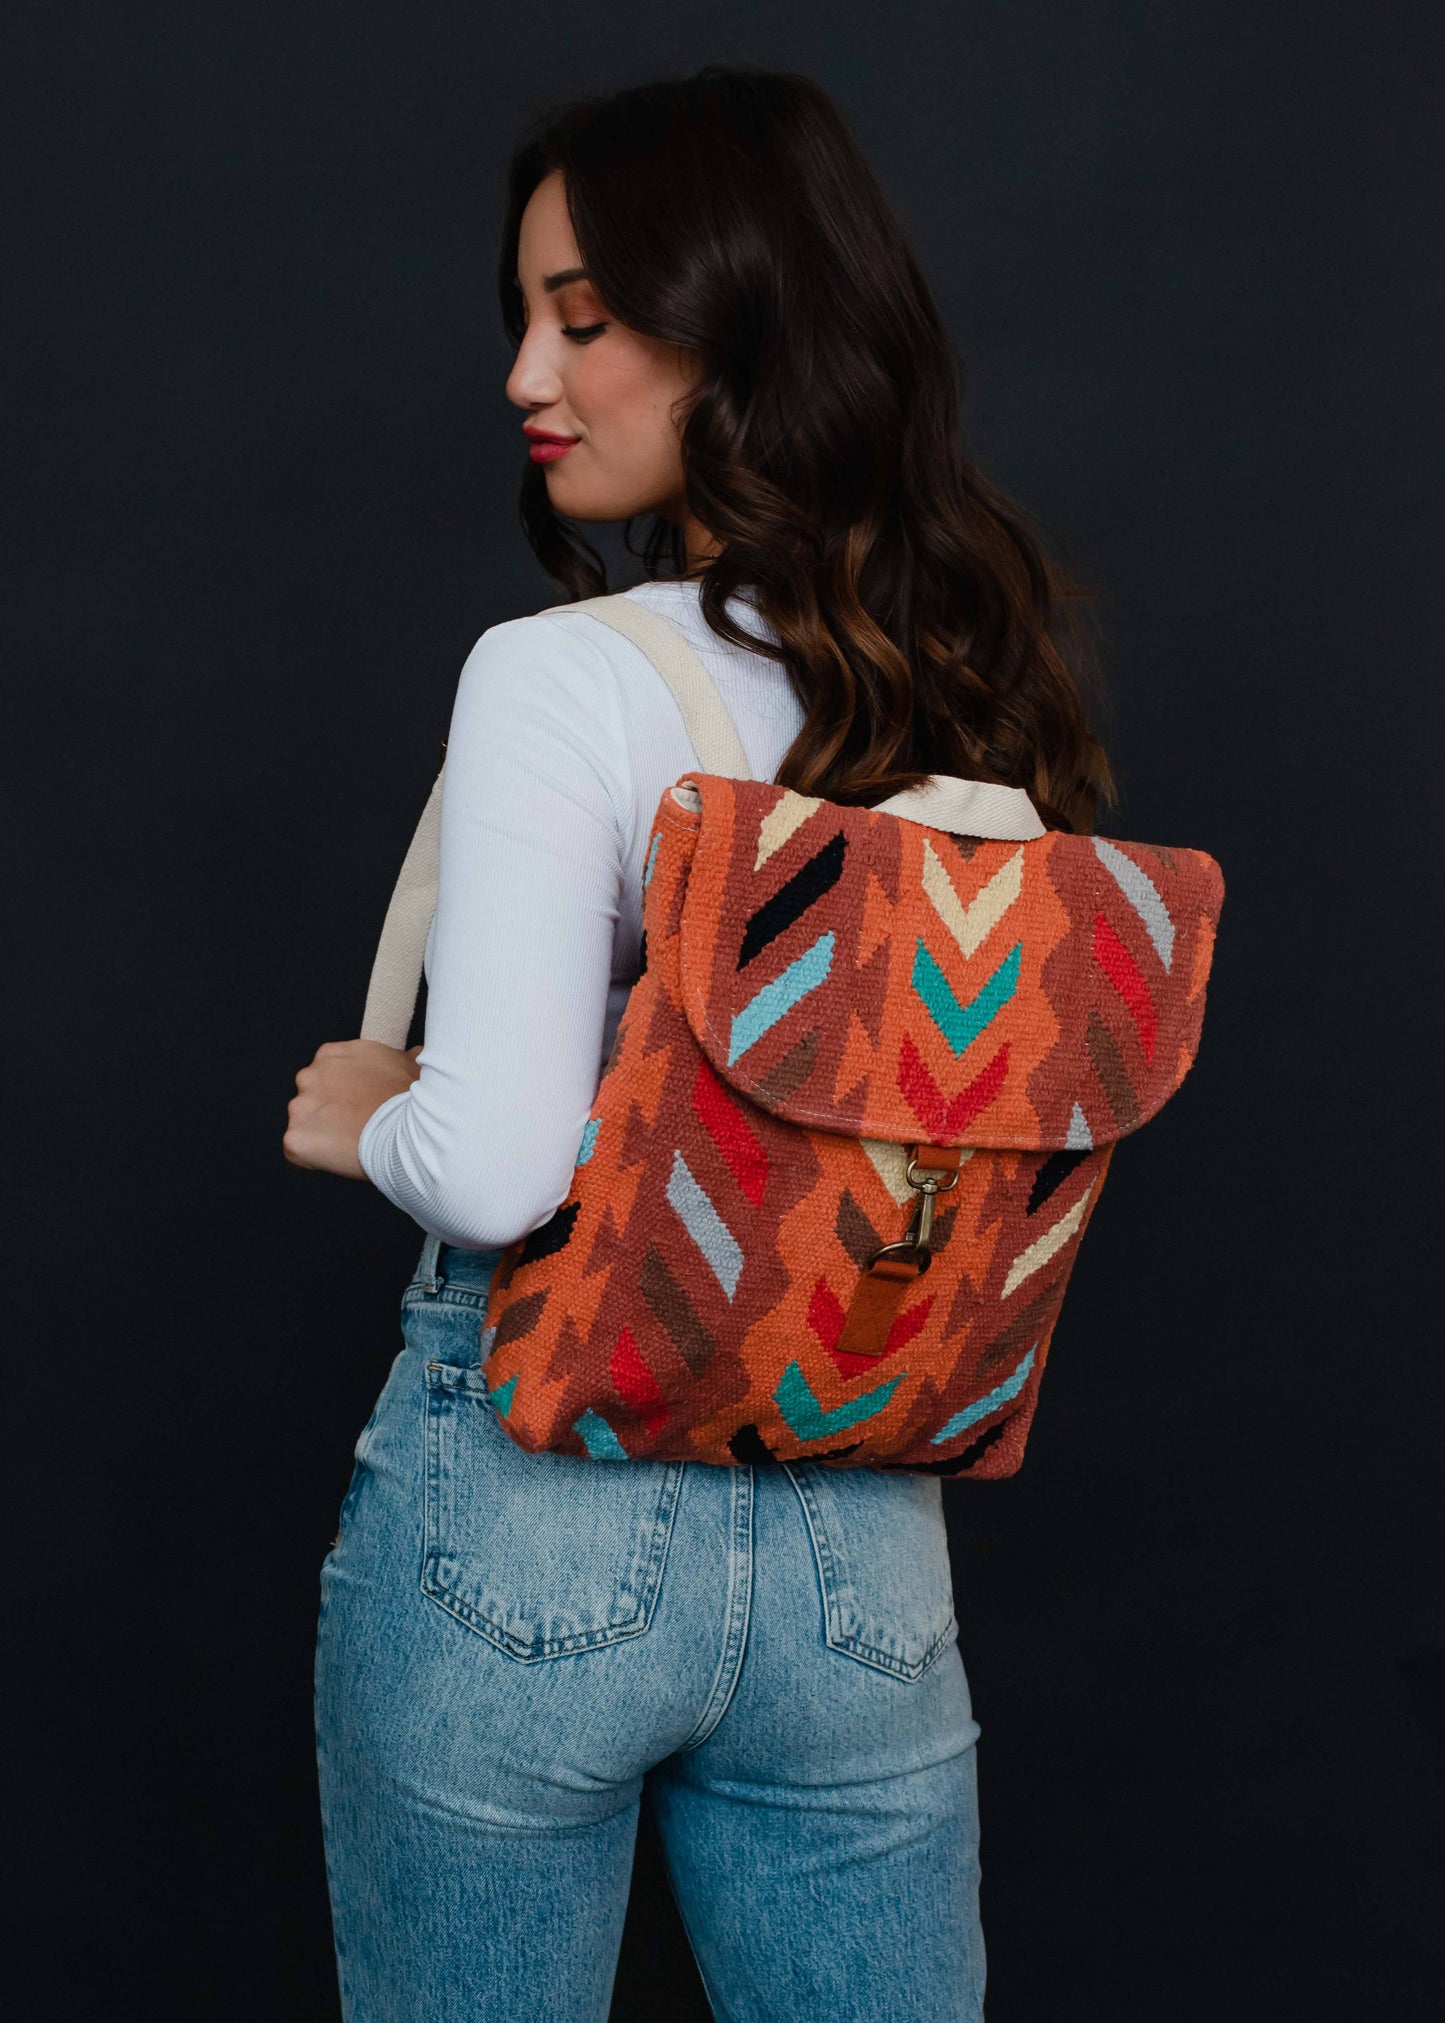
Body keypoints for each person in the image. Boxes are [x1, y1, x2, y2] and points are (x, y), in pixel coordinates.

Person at [285, 65, 1113, 2022]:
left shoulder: (561, 673)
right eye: (524, 314)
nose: (525, 370)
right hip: (862, 1540)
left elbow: (495, 1167)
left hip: (529, 1510)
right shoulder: (969, 679)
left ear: (738, 323)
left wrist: (374, 1118)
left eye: (584, 314)